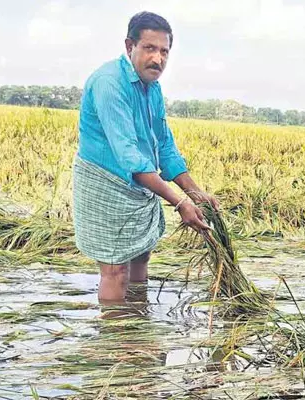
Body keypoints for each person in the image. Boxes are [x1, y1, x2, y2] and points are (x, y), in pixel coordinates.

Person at [73, 11, 219, 303]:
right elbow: (130, 157)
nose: (158, 59)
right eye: (149, 48)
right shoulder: (109, 83)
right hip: (106, 183)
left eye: (164, 51)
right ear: (130, 46)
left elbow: (164, 145)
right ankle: (116, 337)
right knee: (115, 270)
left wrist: (194, 192)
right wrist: (179, 202)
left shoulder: (152, 87)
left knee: (141, 257)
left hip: (141, 186)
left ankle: (139, 321)